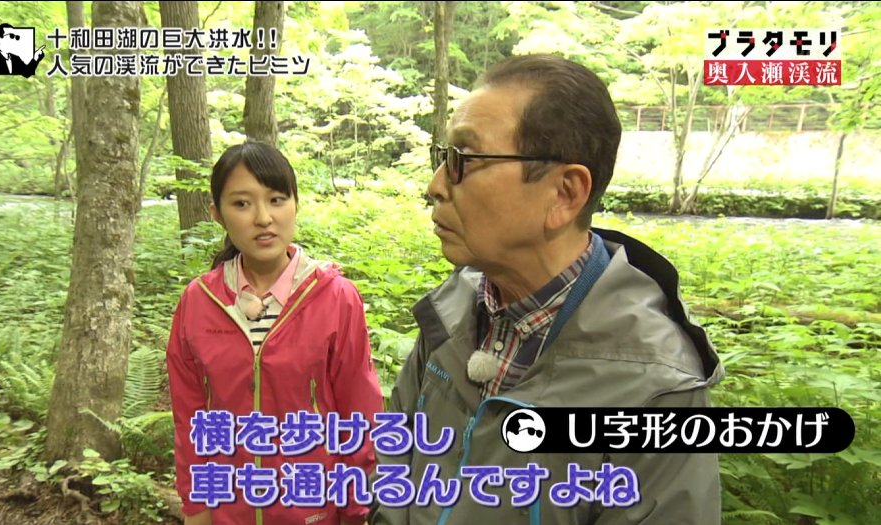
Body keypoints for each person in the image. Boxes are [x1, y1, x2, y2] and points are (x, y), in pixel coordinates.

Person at [369, 54, 724, 525]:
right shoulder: (449, 314)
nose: (435, 185)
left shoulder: (655, 388)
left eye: (463, 160)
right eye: (442, 157)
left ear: (564, 194)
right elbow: (394, 466)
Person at [167, 140, 383, 525]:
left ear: (295, 204)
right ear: (217, 214)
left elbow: (359, 415)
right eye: (242, 203)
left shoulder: (335, 297)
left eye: (277, 200)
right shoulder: (198, 302)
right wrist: (196, 505)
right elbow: (189, 417)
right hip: (227, 511)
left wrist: (355, 510)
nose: (263, 218)